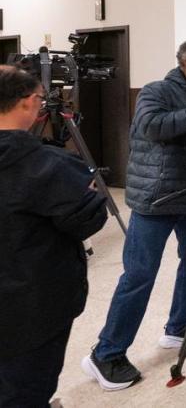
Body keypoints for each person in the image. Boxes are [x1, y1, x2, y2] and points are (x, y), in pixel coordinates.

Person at [82, 39, 186, 392]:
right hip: (157, 200)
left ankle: (180, 327)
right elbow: (153, 126)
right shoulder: (157, 91)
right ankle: (106, 352)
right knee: (139, 275)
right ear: (184, 59)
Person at [0, 66, 108, 406]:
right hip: (31, 307)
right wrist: (86, 191)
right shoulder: (45, 165)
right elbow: (87, 219)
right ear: (29, 102)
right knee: (26, 389)